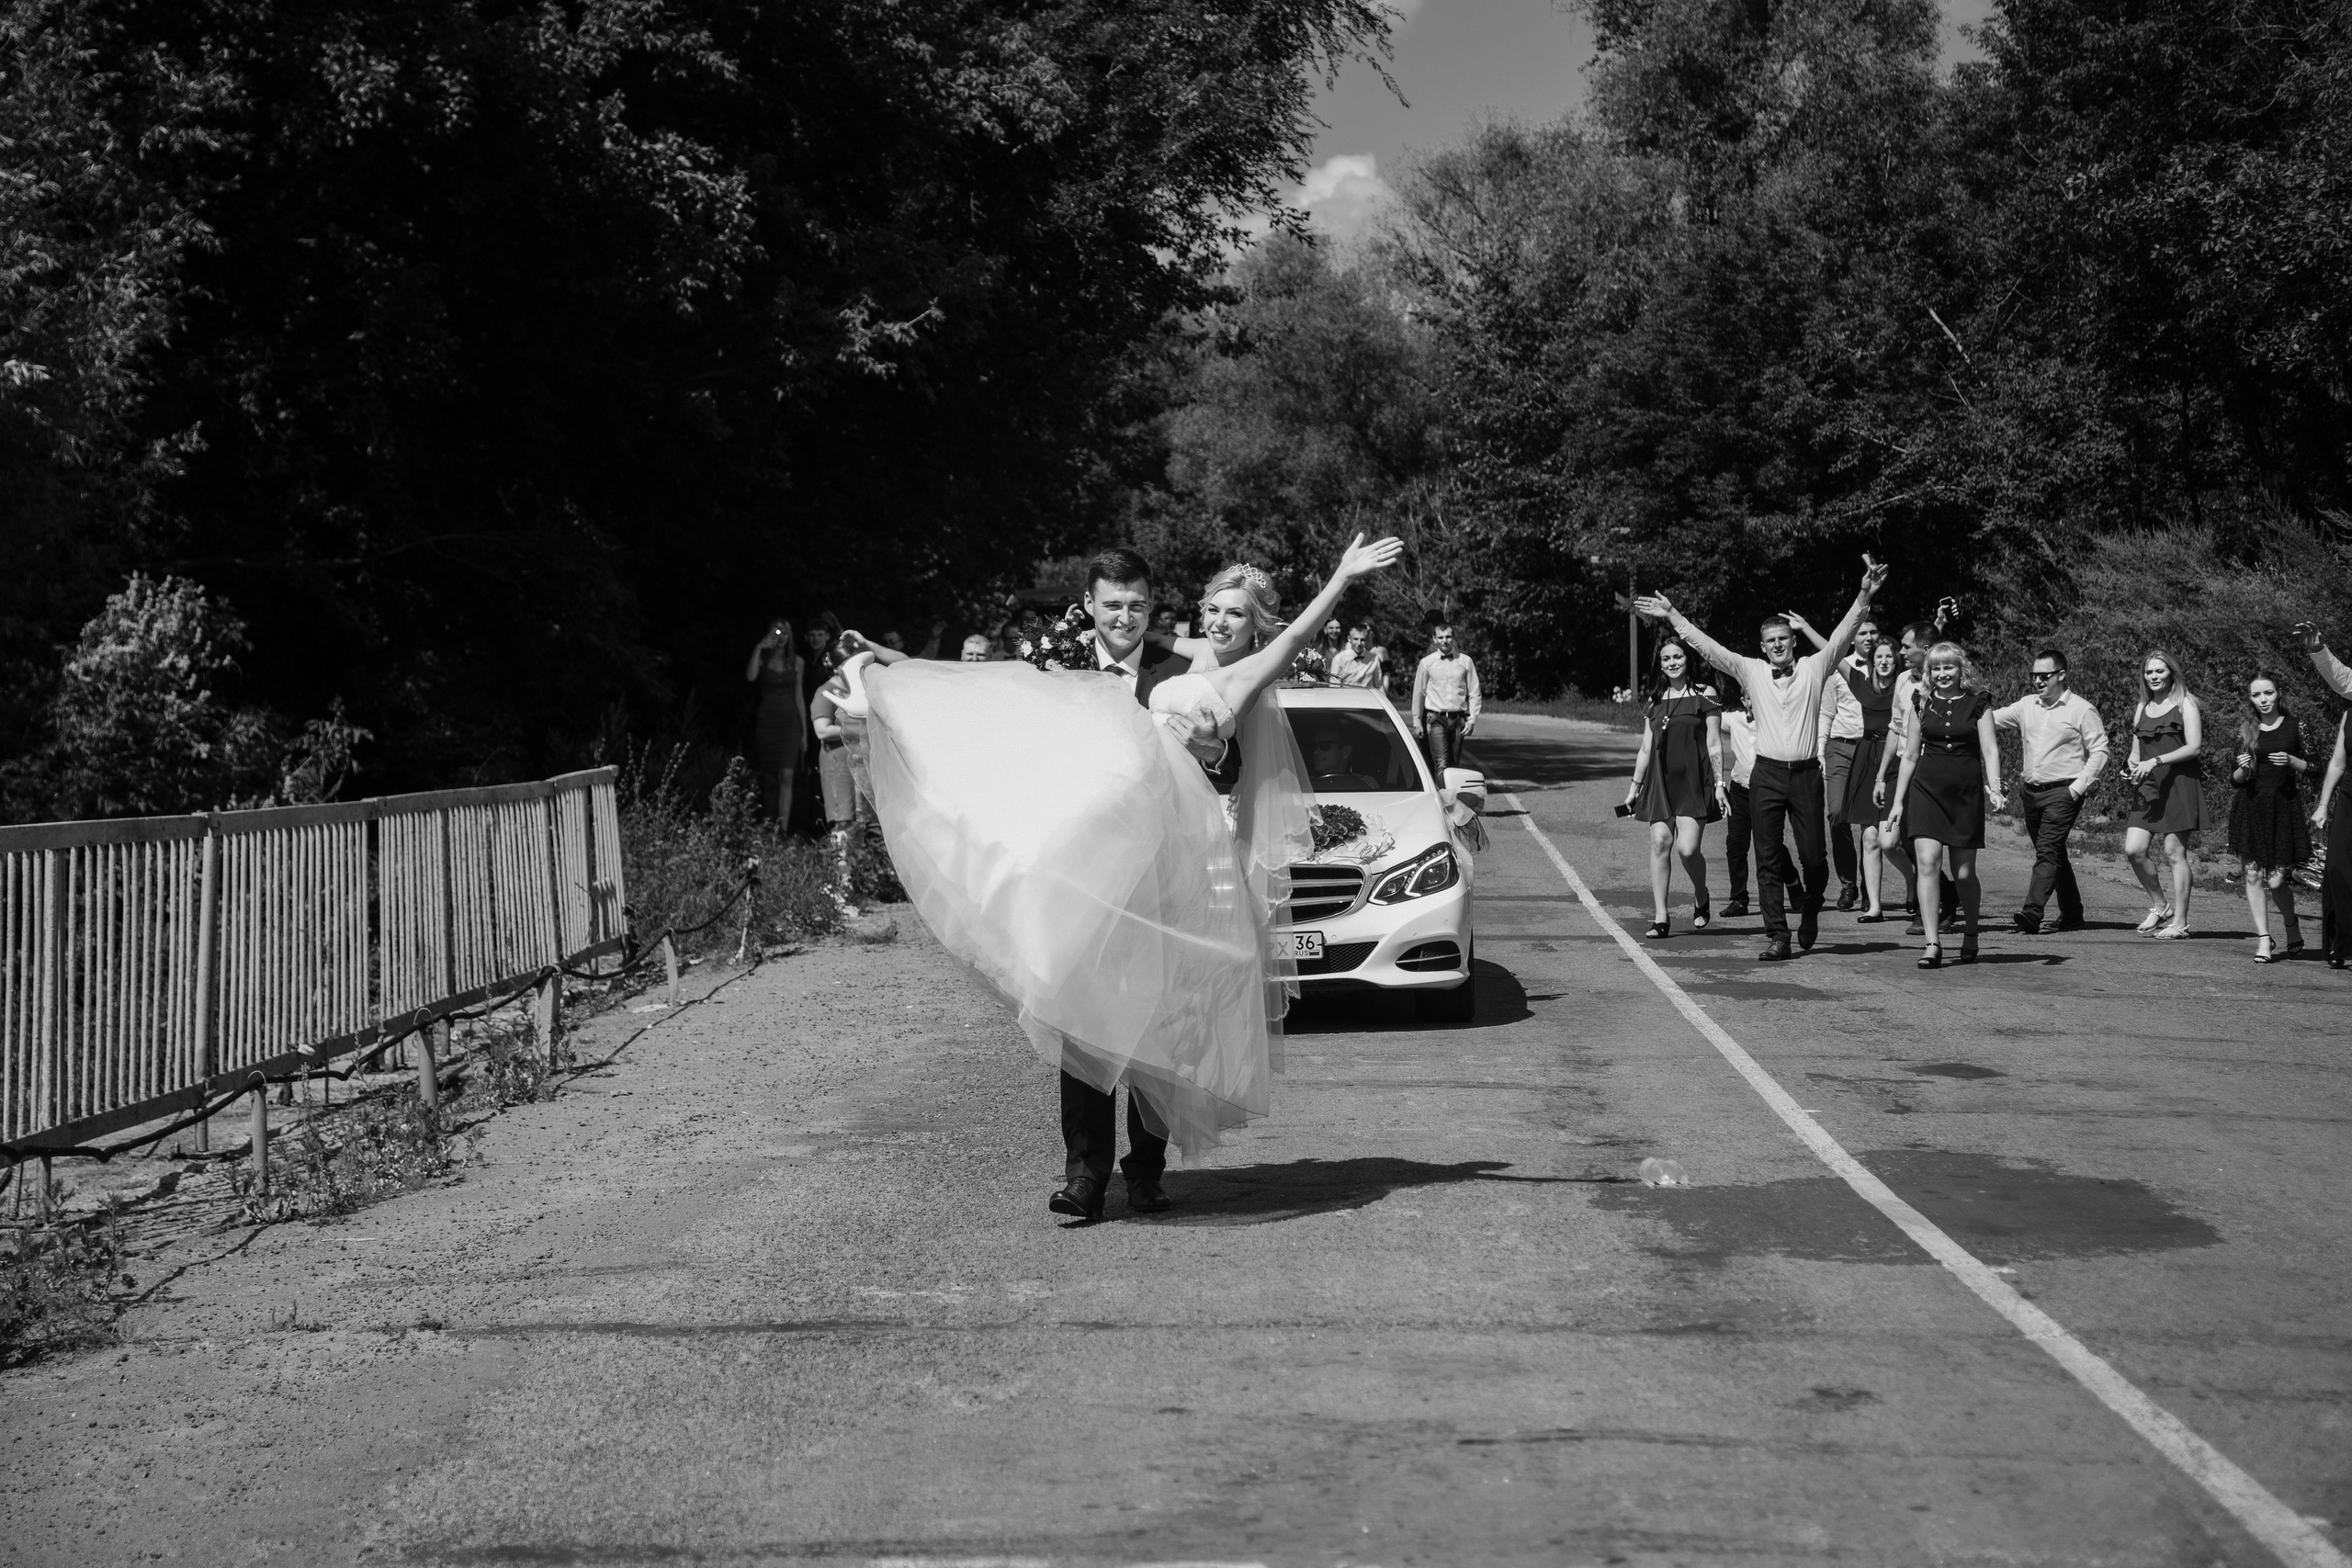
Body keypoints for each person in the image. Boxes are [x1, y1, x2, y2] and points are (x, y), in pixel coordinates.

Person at [847, 534, 1401, 1224]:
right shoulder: (1054, 663)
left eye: (1137, 605)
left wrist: (1213, 748)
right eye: (1113, 605)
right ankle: (1085, 1177)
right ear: (1090, 605)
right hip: (1083, 876)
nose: (1125, 617)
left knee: (1159, 1021)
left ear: (1152, 607)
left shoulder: (1186, 665)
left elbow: (1235, 751)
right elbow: (984, 701)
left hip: (1167, 879)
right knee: (1082, 1020)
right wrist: (890, 663)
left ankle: (1145, 1171)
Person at [1636, 553, 1891, 961]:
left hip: (1806, 775)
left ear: (1793, 641)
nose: (1777, 645)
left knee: (1814, 859)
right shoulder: (1751, 670)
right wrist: (1674, 616)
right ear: (1762, 646)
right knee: (1767, 858)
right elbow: (1710, 649)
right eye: (1770, 641)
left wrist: (1864, 595)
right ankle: (1778, 935)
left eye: (1783, 639)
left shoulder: (1815, 667)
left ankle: (1810, 908)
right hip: (1766, 776)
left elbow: (1844, 634)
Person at [1884, 641, 2007, 966]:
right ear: (1928, 672)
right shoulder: (1921, 701)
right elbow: (1911, 754)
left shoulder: (1979, 701)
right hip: (1927, 791)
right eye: (1936, 668)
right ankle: (1932, 942)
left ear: (1960, 669)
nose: (1942, 674)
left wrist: (1995, 788)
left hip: (1965, 794)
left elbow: (1990, 750)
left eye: (1948, 667)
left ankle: (1971, 931)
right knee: (1927, 863)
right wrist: (1898, 802)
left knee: (1963, 873)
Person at [1991, 649, 2109, 935]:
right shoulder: (2026, 705)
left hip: (2062, 793)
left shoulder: (2081, 709)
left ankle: (2032, 912)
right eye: (2034, 675)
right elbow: (1989, 720)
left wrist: (2077, 788)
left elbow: (2100, 751)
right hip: (2030, 793)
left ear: (2062, 675)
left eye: (2045, 676)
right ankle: (2072, 912)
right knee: (2052, 852)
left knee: (2047, 852)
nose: (2038, 681)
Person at [1619, 637, 1726, 937]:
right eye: (1666, 659)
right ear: (1661, 664)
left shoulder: (1705, 693)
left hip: (1693, 781)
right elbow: (1645, 748)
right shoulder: (1655, 699)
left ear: (1688, 659)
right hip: (1659, 783)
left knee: (1688, 849)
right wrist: (1634, 788)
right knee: (1660, 844)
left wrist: (1720, 783)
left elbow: (1714, 741)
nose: (1672, 663)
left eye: (1677, 656)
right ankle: (1661, 917)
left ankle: (1701, 894)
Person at [1788, 611, 1880, 910]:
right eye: (1862, 633)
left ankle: (1870, 888)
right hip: (1840, 748)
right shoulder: (1840, 668)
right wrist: (1819, 752)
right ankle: (1848, 884)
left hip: (1873, 749)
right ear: (1852, 639)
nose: (1868, 638)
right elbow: (1826, 713)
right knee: (1838, 814)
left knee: (1870, 822)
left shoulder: (1887, 668)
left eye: (1873, 632)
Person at [1872, 620, 1951, 934]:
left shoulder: (1946, 682)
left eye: (1906, 647)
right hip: (1902, 765)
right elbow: (1895, 728)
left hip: (1931, 768)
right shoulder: (1904, 680)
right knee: (1889, 841)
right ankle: (1945, 891)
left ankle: (1924, 909)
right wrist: (1881, 775)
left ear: (1926, 649)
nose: (1900, 652)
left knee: (1921, 842)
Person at [2227, 674, 2312, 962]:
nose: (2263, 700)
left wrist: (2291, 761)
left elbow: (2316, 768)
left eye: (2268, 693)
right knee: (2252, 874)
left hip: (2282, 809)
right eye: (2256, 695)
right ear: (2250, 698)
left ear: (2279, 693)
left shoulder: (2296, 726)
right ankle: (2264, 939)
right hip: (2251, 808)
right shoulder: (2246, 730)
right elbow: (2234, 780)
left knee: (2276, 882)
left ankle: (2291, 923)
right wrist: (2244, 768)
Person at [2121, 649, 2205, 938]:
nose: (2153, 676)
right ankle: (2161, 905)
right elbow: (2135, 754)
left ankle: (2180, 923)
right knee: (2134, 849)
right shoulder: (2142, 707)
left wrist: (2155, 761)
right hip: (2148, 787)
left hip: (2180, 784)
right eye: (2149, 672)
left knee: (2174, 852)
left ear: (2171, 672)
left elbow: (2194, 747)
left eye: (2159, 671)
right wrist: (2130, 768)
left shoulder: (2185, 703)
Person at [1838, 638, 1901, 920]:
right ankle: (1875, 905)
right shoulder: (1862, 684)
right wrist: (1806, 628)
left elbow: (1926, 652)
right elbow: (1834, 654)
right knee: (1870, 836)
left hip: (1897, 758)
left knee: (1892, 839)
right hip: (1867, 756)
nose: (1884, 661)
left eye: (1889, 656)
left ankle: (1915, 882)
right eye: (1879, 657)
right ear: (1872, 661)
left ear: (1896, 660)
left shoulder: (1906, 686)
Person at [743, 617, 807, 822]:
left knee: (786, 775)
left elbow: (799, 697)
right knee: (769, 778)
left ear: (790, 636)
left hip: (789, 724)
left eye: (784, 633)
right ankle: (769, 826)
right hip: (767, 723)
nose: (780, 637)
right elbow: (751, 677)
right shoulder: (763, 659)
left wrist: (804, 733)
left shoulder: (797, 662)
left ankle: (782, 830)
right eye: (776, 632)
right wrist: (759, 647)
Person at [2311, 706, 2351, 969]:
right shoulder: (2350, 714)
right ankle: (2340, 942)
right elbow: (2338, 762)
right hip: (2349, 797)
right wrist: (2323, 805)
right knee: (2336, 868)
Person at [1411, 625, 1482, 773]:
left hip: (1458, 719)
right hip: (1435, 718)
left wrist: (1472, 719)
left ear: (1453, 638)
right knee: (1441, 763)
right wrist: (1417, 720)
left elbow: (1474, 691)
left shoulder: (1465, 661)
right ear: (1434, 639)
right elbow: (1419, 693)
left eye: (1448, 637)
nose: (1445, 641)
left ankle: (1447, 789)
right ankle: (1441, 789)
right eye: (1441, 637)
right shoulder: (1427, 663)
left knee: (1454, 765)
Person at [1330, 625, 1385, 689]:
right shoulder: (1339, 659)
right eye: (1355, 639)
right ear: (1349, 639)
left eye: (1362, 640)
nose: (1359, 643)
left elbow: (1379, 685)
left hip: (1367, 694)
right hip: (1347, 694)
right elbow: (1334, 687)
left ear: (1367, 640)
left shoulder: (1374, 658)